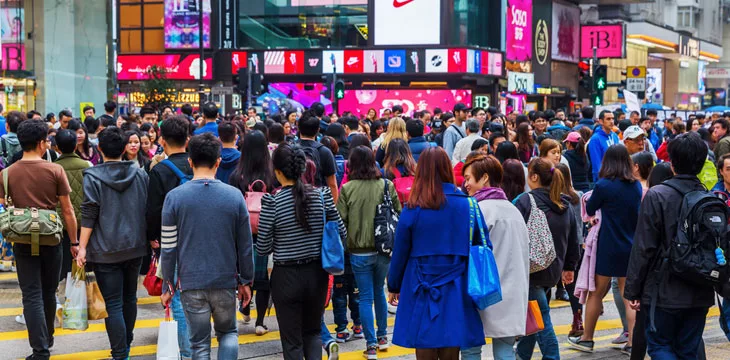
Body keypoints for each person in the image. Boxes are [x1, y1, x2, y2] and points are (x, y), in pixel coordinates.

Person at [159, 133, 254, 359]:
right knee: (228, 332)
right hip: (225, 280)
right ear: (218, 162)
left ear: (190, 161)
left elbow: (169, 247)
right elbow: (245, 244)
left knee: (199, 343)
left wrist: (168, 285)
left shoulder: (174, 198)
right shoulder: (234, 196)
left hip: (191, 282)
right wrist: (246, 280)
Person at [388, 147, 486, 359]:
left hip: (419, 283)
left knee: (424, 340)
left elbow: (400, 250)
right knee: (452, 339)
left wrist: (394, 284)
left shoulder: (413, 207)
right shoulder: (469, 205)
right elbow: (483, 246)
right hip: (457, 283)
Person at [626, 132, 714, 359]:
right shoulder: (709, 198)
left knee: (660, 346)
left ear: (672, 162)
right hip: (700, 287)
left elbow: (644, 246)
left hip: (663, 289)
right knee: (688, 348)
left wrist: (633, 289)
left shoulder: (657, 195)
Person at [256, 143, 346, 360]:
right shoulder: (323, 195)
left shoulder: (272, 202)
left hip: (285, 277)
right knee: (313, 333)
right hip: (317, 274)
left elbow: (263, 248)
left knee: (292, 341)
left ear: (276, 171)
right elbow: (341, 232)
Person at [0, 120, 78, 360]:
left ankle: (40, 349)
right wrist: (74, 243)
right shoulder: (55, 170)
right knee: (48, 291)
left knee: (31, 294)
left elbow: (6, 206)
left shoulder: (6, 173)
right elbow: (67, 211)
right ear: (42, 143)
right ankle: (48, 336)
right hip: (52, 239)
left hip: (22, 240)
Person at [74, 126, 148, 360]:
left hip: (105, 250)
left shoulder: (93, 177)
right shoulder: (140, 174)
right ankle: (125, 344)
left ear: (100, 149)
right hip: (135, 246)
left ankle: (120, 353)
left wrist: (82, 246)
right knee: (130, 298)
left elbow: (89, 214)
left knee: (113, 303)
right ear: (124, 147)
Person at [568, 145, 640, 355]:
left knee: (596, 294)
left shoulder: (603, 185)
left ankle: (587, 339)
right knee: (629, 296)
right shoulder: (635, 186)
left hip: (608, 246)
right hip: (630, 245)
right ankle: (633, 343)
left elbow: (589, 210)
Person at [461, 153, 529, 360]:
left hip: (480, 290)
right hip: (513, 292)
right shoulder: (513, 210)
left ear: (484, 178)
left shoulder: (475, 209)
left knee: (471, 347)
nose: (465, 184)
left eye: (468, 178)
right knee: (505, 349)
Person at [337, 145, 402, 358]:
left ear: (352, 164)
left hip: (358, 252)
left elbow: (340, 221)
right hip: (383, 249)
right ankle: (383, 337)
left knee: (364, 297)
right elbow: (398, 214)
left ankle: (371, 345)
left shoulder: (347, 189)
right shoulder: (386, 185)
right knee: (379, 293)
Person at [514, 158, 579, 360]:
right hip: (552, 271)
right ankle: (521, 356)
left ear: (534, 177)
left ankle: (552, 357)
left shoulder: (525, 201)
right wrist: (569, 267)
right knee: (534, 316)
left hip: (530, 271)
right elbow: (573, 238)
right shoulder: (564, 204)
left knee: (542, 321)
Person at [145, 115, 192, 358]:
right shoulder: (198, 165)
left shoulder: (160, 170)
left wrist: (153, 238)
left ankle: (187, 353)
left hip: (170, 241)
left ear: (162, 140)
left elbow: (153, 210)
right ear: (188, 138)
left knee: (177, 299)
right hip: (199, 238)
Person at [228, 130, 276, 336]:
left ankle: (245, 306)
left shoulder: (236, 175)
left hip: (242, 232)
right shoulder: (272, 174)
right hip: (267, 231)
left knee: (244, 271)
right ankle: (260, 322)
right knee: (264, 276)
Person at [54, 129, 90, 286]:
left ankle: (64, 289)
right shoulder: (87, 165)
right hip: (85, 222)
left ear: (57, 148)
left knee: (64, 261)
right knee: (81, 259)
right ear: (76, 146)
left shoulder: (53, 168)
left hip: (61, 223)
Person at [297, 111, 339, 201]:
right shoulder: (325, 152)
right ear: (318, 130)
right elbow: (332, 184)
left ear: (298, 128)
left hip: (293, 201)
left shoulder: (290, 149)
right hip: (319, 202)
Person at [588, 110, 620, 181]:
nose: (611, 121)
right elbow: (596, 165)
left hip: (616, 178)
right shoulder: (595, 139)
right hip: (603, 180)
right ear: (601, 121)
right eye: (608, 119)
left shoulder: (615, 136)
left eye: (612, 118)